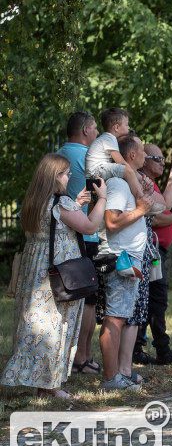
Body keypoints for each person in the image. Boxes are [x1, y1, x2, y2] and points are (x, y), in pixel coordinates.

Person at [2, 154, 107, 399]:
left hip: (37, 270)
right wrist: (101, 200)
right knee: (58, 324)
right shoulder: (61, 203)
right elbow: (90, 227)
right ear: (55, 176)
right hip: (60, 273)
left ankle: (42, 383)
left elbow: (54, 225)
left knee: (38, 324)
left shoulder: (36, 201)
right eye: (66, 173)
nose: (69, 176)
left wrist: (77, 205)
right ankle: (51, 385)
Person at [97, 134, 152, 391]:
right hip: (120, 259)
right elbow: (111, 221)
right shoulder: (119, 183)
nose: (146, 156)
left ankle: (115, 376)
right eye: (143, 151)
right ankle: (111, 379)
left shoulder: (125, 183)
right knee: (115, 319)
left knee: (118, 317)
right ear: (131, 154)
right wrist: (141, 209)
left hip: (127, 260)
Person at [56, 111, 103, 375]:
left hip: (63, 236)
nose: (96, 133)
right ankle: (82, 358)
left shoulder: (58, 154)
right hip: (85, 234)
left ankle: (72, 355)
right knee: (88, 299)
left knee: (71, 298)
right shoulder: (87, 157)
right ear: (85, 130)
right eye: (95, 129)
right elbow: (102, 192)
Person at [133, 144, 172, 365]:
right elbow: (151, 218)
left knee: (156, 299)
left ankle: (157, 349)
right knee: (153, 298)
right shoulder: (140, 183)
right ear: (144, 159)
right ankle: (147, 350)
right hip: (151, 250)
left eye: (163, 158)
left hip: (157, 251)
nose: (161, 162)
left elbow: (164, 205)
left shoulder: (151, 185)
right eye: (156, 157)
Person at [85, 108, 145, 201]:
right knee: (127, 171)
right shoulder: (109, 139)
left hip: (97, 170)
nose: (129, 128)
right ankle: (142, 199)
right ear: (116, 127)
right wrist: (138, 178)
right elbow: (121, 163)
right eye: (126, 125)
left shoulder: (106, 138)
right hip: (97, 170)